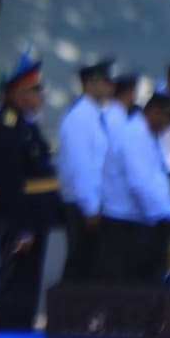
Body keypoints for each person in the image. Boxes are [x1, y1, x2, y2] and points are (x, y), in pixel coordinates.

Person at [0, 52, 62, 332]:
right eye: (35, 90)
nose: (40, 95)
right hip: (17, 217)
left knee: (28, 284)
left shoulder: (25, 124)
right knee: (14, 284)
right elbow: (8, 182)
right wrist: (22, 227)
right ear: (18, 93)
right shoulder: (4, 126)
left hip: (34, 215)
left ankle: (20, 334)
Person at [95, 89, 170, 282]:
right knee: (134, 287)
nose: (169, 125)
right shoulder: (134, 136)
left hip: (141, 220)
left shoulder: (146, 134)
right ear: (154, 112)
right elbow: (141, 184)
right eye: (168, 118)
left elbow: (155, 180)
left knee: (146, 285)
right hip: (128, 225)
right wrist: (166, 215)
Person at [57, 60, 110, 281]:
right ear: (91, 84)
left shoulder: (94, 114)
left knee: (92, 266)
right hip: (83, 206)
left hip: (93, 203)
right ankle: (68, 313)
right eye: (106, 82)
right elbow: (80, 167)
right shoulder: (79, 118)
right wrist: (90, 207)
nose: (110, 87)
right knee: (80, 267)